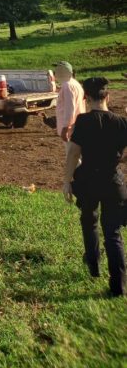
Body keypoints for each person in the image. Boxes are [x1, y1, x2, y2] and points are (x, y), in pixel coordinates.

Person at [63, 77, 127, 297]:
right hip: (113, 181)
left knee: (89, 221)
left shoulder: (83, 121)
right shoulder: (122, 122)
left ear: (86, 98)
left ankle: (94, 266)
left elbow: (73, 153)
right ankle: (118, 287)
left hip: (88, 180)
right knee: (113, 233)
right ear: (107, 96)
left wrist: (66, 181)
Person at [54, 61, 85, 144]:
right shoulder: (75, 84)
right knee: (76, 154)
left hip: (71, 129)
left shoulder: (67, 86)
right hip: (77, 124)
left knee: (72, 155)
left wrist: (65, 128)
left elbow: (70, 108)